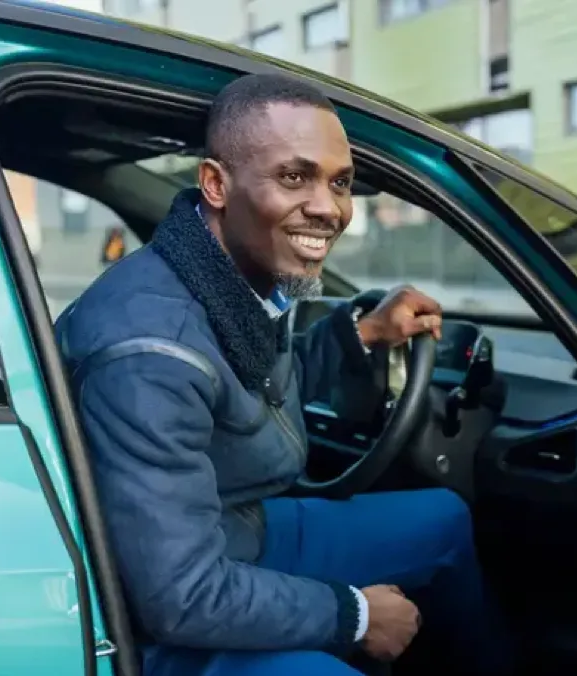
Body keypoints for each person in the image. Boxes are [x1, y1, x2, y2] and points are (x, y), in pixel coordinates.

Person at [55, 74, 514, 676]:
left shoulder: (227, 276)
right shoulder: (150, 353)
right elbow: (181, 597)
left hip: (237, 532)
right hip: (161, 624)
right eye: (295, 177)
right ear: (217, 184)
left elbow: (254, 389)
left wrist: (364, 335)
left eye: (341, 182)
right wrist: (353, 615)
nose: (330, 209)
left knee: (445, 519)